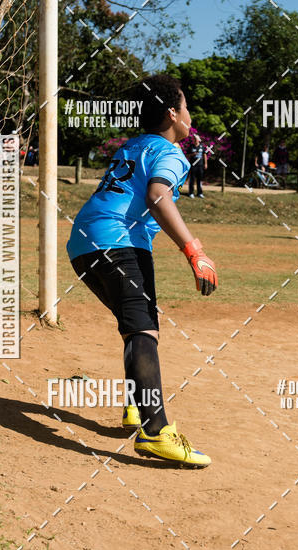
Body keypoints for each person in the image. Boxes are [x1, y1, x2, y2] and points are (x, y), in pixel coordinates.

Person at [66, 74, 218, 468]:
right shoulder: (170, 152)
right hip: (119, 243)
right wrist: (193, 249)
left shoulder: (133, 145)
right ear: (172, 113)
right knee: (142, 330)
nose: (190, 115)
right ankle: (155, 431)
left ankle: (137, 406)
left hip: (83, 244)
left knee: (137, 328)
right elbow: (157, 196)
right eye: (186, 106)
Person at [188, 133, 206, 198]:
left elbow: (204, 155)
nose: (194, 140)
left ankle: (200, 193)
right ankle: (191, 193)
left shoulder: (202, 147)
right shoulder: (191, 147)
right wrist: (192, 154)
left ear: (198, 140)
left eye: (195, 139)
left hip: (200, 166)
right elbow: (187, 155)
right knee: (192, 180)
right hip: (193, 165)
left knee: (199, 180)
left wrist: (205, 163)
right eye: (194, 139)